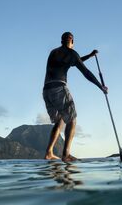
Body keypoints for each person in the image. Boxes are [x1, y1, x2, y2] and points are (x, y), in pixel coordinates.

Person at [43, 32, 108, 162]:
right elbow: (85, 72)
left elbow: (73, 62)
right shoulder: (72, 53)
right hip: (59, 88)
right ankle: (66, 154)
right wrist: (100, 86)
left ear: (62, 40)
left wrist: (89, 56)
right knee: (72, 119)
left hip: (46, 90)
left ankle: (49, 152)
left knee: (59, 120)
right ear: (72, 41)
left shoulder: (54, 52)